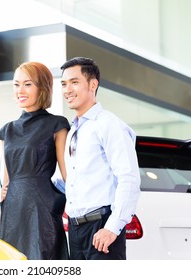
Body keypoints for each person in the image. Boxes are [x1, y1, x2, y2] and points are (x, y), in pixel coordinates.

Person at [60, 57, 141, 260]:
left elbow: (129, 178)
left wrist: (112, 228)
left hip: (101, 227)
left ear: (92, 84)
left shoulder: (109, 125)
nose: (67, 90)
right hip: (76, 230)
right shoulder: (74, 130)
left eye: (74, 82)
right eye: (64, 84)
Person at [0, 61, 70, 260]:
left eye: (28, 84)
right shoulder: (7, 130)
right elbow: (6, 183)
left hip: (42, 208)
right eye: (16, 84)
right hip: (13, 209)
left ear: (43, 87)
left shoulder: (57, 124)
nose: (20, 90)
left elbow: (67, 174)